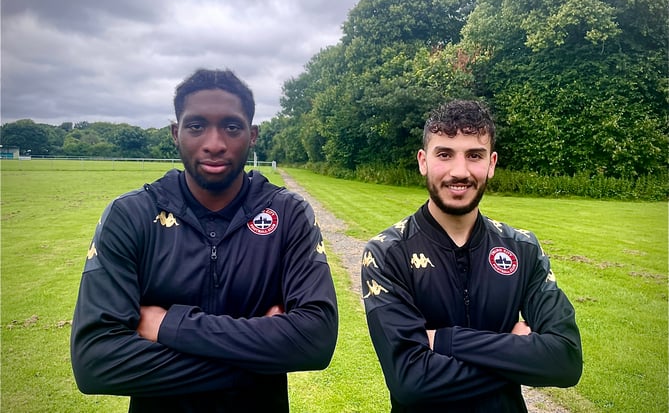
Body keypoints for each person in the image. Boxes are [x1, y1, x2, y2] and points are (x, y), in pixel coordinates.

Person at [71, 68, 338, 412]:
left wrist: (168, 324)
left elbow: (314, 340)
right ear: (175, 132)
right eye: (196, 126)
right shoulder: (130, 215)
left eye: (231, 126)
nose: (215, 144)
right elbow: (96, 362)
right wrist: (257, 360)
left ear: (252, 135)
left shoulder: (288, 214)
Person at [360, 100, 582, 412]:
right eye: (445, 154)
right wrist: (517, 352)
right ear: (423, 161)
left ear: (491, 163)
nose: (459, 171)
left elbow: (566, 360)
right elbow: (410, 381)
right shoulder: (387, 253)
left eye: (474, 155)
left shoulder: (523, 248)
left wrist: (445, 341)